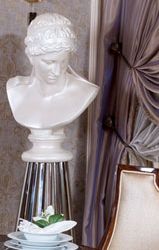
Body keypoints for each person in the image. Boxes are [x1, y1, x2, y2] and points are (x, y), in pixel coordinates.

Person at [6, 13, 99, 162]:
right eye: (49, 62)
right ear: (31, 57)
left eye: (63, 62)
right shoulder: (15, 89)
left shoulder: (84, 91)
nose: (56, 71)